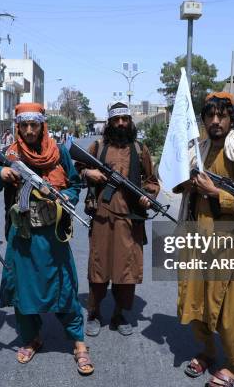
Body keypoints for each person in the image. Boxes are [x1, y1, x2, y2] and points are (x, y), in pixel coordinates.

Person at [0, 103, 94, 376]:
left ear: (42, 125)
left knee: (64, 285)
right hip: (22, 235)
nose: (29, 130)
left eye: (34, 124)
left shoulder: (58, 153)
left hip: (53, 233)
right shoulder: (9, 153)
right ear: (17, 126)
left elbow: (74, 183)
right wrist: (0, 173)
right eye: (23, 125)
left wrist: (65, 199)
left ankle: (78, 341)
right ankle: (32, 338)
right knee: (23, 289)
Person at [174, 92, 234, 387]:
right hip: (197, 237)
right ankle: (206, 352)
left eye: (221, 116)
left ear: (230, 119)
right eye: (210, 116)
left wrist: (216, 193)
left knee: (230, 306)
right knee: (196, 298)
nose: (215, 121)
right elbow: (180, 184)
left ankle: (233, 366)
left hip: (229, 242)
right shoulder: (199, 150)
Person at [76, 101, 159, 336]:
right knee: (98, 266)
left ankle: (120, 313)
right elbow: (77, 168)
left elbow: (152, 181)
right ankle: (94, 312)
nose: (121, 123)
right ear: (110, 122)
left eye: (125, 119)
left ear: (130, 122)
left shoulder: (140, 149)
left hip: (130, 219)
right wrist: (87, 172)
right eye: (116, 120)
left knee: (126, 269)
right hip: (102, 217)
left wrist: (148, 195)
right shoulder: (99, 146)